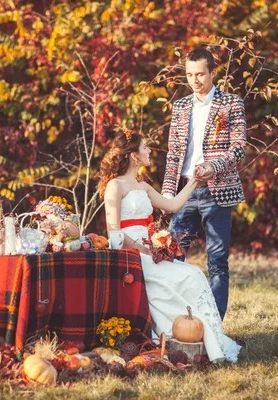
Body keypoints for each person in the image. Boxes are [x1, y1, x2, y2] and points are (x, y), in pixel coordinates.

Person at [97, 130, 241, 363]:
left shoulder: (142, 186)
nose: (149, 151)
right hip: (131, 255)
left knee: (193, 273)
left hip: (149, 250)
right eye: (145, 148)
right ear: (134, 155)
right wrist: (144, 250)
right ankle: (182, 334)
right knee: (188, 276)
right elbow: (114, 234)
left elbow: (173, 205)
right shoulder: (115, 186)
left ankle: (204, 337)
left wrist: (194, 181)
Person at [161, 47, 247, 320]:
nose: (195, 80)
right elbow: (173, 154)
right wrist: (165, 193)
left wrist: (214, 167)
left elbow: (238, 148)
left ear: (212, 73)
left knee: (218, 262)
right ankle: (174, 322)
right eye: (189, 74)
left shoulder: (231, 103)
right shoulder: (181, 106)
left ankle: (214, 325)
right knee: (172, 259)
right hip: (184, 191)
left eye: (200, 74)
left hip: (217, 191)